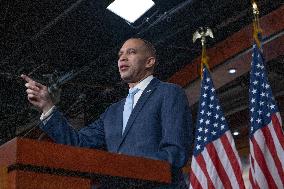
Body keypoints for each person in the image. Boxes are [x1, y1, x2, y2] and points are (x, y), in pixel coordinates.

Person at [22, 38, 193, 188]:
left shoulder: (168, 92)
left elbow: (175, 153)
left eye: (131, 52)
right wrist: (47, 107)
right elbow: (78, 144)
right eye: (120, 55)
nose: (122, 58)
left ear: (149, 62)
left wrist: (126, 167)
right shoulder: (112, 112)